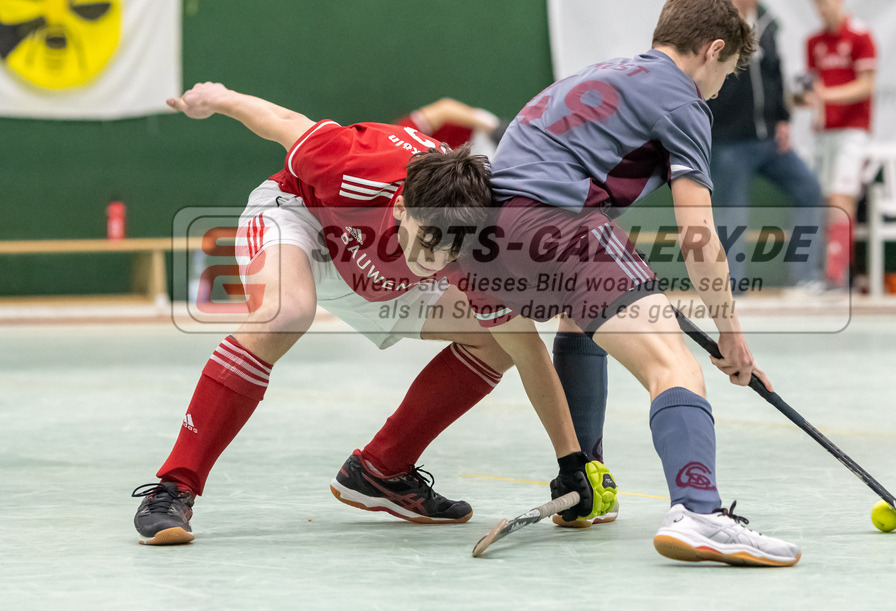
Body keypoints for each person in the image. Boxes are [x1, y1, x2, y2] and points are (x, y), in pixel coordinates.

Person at [357, 0, 802, 566]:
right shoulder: (684, 101)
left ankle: (583, 483)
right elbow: (699, 236)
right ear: (714, 49)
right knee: (673, 366)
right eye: (727, 72)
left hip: (482, 245)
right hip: (554, 226)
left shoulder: (600, 75)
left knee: (579, 316)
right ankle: (698, 511)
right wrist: (731, 334)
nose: (720, 87)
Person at [131, 82, 615, 545]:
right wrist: (219, 98)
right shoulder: (354, 161)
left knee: (497, 340)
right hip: (305, 221)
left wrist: (569, 460)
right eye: (429, 242)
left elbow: (528, 350)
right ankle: (175, 487)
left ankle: (383, 470)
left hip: (384, 278)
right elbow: (281, 120)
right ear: (402, 205)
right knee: (286, 312)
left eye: (451, 250)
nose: (436, 259)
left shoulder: (470, 245)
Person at [709, 0, 823, 292]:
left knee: (809, 189)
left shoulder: (769, 24)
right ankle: (733, 287)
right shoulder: (714, 28)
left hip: (770, 139)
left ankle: (804, 278)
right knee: (732, 211)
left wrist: (784, 121)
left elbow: (774, 75)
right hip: (729, 141)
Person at [798, 0, 877, 289]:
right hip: (823, 134)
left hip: (852, 132)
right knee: (822, 200)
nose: (821, 9)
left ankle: (837, 277)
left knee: (841, 200)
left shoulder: (860, 36)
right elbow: (811, 89)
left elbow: (867, 85)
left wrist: (827, 95)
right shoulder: (813, 42)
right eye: (816, 3)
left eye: (826, 2)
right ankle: (822, 274)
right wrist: (805, 100)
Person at [395, 97, 508, 155]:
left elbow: (446, 108)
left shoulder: (402, 131)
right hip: (467, 162)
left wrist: (495, 127)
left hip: (481, 133)